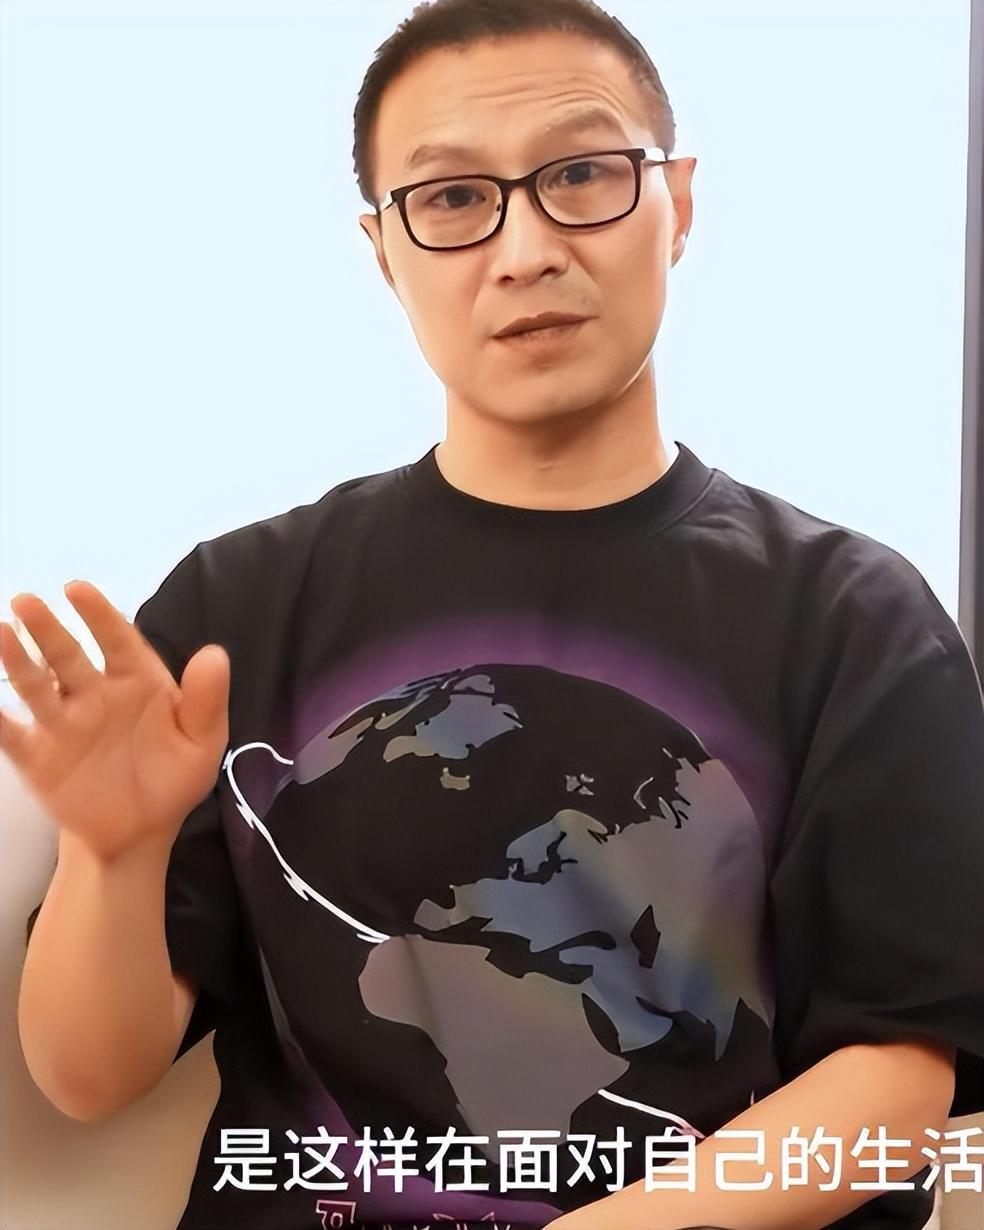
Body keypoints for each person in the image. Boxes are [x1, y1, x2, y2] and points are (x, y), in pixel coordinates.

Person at [5, 1, 982, 1228]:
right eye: (455, 198)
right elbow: (87, 1077)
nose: (525, 250)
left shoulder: (854, 617)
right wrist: (112, 855)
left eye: (581, 175)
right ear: (385, 251)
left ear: (677, 202)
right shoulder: (236, 606)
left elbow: (896, 1081)